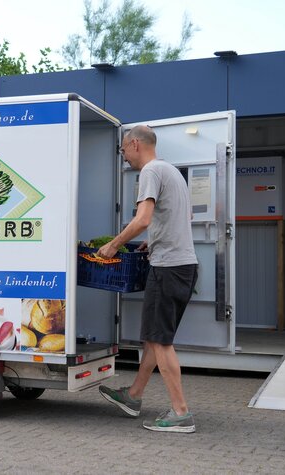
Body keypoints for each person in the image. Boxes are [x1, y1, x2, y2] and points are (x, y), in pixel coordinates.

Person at [96, 125, 199, 433]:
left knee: (159, 341)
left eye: (123, 150)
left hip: (168, 268)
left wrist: (113, 244)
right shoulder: (172, 172)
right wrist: (153, 242)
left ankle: (181, 412)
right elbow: (183, 217)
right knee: (156, 338)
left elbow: (143, 219)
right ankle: (133, 396)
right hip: (184, 265)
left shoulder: (151, 172)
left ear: (136, 144)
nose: (124, 157)